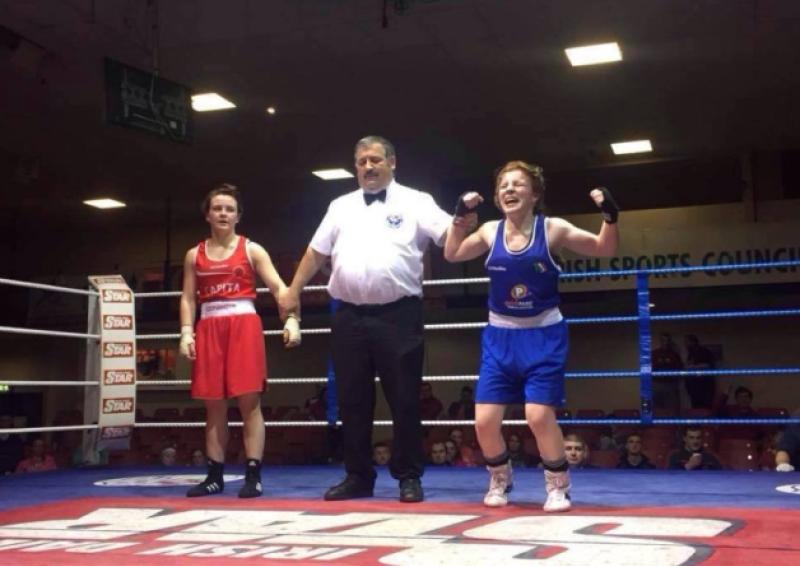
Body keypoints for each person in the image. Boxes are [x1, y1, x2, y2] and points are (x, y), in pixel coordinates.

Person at [279, 135, 452, 503]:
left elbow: (449, 236)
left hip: (399, 315)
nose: (368, 167)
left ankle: (408, 475)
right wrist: (292, 290)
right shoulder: (340, 205)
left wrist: (467, 221)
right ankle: (358, 475)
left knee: (405, 398)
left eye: (375, 160)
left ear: (393, 161)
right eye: (361, 162)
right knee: (351, 400)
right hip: (348, 316)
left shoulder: (417, 201)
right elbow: (315, 252)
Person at [444, 160, 619, 511]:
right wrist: (458, 220)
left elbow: (604, 248)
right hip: (500, 336)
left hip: (543, 335)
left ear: (535, 194)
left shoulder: (552, 229)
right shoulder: (490, 232)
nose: (509, 189)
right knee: (484, 421)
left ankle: (558, 485)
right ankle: (500, 476)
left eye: (518, 184)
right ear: (496, 196)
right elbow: (451, 254)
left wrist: (611, 219)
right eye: (503, 185)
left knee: (538, 416)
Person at [179, 183, 300, 499]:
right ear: (207, 214)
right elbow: (188, 298)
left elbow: (279, 288)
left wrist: (291, 318)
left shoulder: (252, 249)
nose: (223, 213)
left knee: (249, 403)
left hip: (243, 325)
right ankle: (214, 476)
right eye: (217, 208)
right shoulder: (195, 254)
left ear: (238, 216)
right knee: (213, 406)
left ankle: (253, 474)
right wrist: (186, 331)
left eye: (229, 209)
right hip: (209, 328)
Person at [650, 333, 684, 414]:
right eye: (663, 340)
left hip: (671, 384)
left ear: (670, 341)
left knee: (673, 408)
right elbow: (648, 367)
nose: (665, 342)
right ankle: (658, 426)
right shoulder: (654, 353)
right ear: (660, 341)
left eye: (667, 340)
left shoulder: (674, 354)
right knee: (656, 408)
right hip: (657, 383)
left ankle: (672, 425)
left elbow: (679, 368)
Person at [684, 334, 717, 410]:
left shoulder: (704, 351)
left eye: (687, 342)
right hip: (694, 389)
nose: (685, 345)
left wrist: (694, 367)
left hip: (704, 388)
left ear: (693, 342)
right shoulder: (690, 354)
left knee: (705, 410)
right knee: (696, 410)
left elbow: (710, 365)